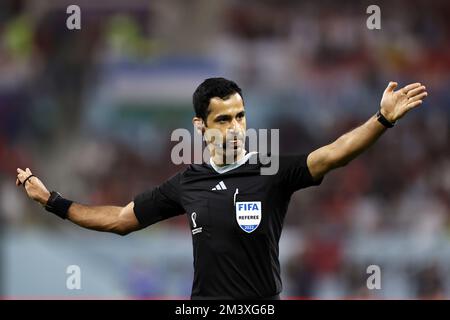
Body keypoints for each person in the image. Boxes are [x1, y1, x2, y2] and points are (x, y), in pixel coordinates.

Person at [16, 77, 428, 299]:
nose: (236, 127)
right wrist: (53, 201)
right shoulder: (187, 182)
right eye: (223, 119)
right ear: (200, 127)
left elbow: (334, 154)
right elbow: (121, 219)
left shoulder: (270, 171)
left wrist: (382, 120)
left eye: (240, 116)